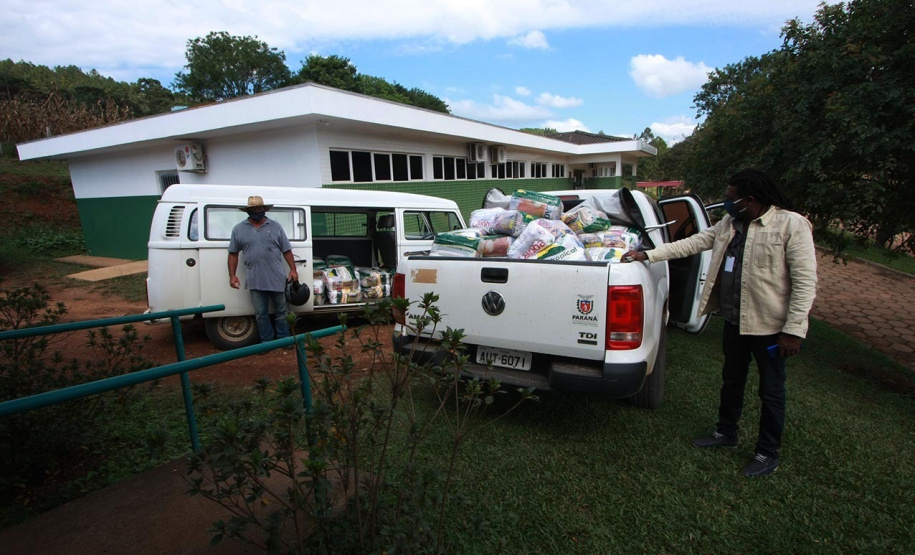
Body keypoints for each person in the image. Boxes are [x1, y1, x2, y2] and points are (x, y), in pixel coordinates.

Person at [622, 169, 817, 477]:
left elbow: (805, 282)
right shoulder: (730, 223)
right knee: (732, 381)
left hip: (770, 328)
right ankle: (726, 433)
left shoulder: (790, 225)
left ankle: (767, 453)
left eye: (730, 198)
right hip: (735, 320)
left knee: (771, 391)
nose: (727, 203)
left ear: (749, 200)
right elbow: (693, 243)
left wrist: (793, 331)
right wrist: (648, 255)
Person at [228, 196, 298, 344]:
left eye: (259, 209)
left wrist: (293, 270)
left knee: (282, 311)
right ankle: (267, 342)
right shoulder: (239, 229)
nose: (256, 212)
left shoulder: (276, 227)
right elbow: (233, 254)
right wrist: (232, 276)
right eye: (253, 209)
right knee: (261, 314)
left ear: (264, 210)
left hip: (277, 278)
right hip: (255, 280)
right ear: (248, 211)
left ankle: (283, 340)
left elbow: (287, 250)